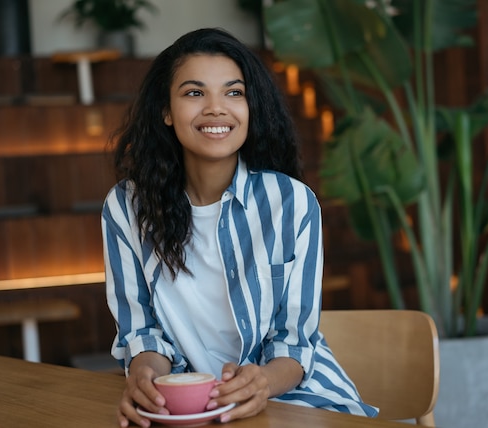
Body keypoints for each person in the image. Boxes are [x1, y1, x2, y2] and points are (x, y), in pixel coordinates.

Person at [101, 27, 379, 427]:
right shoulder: (126, 208)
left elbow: (294, 344)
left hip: (293, 398)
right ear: (165, 110)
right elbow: (141, 333)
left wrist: (262, 382)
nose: (217, 108)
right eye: (195, 93)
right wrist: (143, 376)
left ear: (252, 107)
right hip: (187, 405)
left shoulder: (292, 203)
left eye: (234, 93)